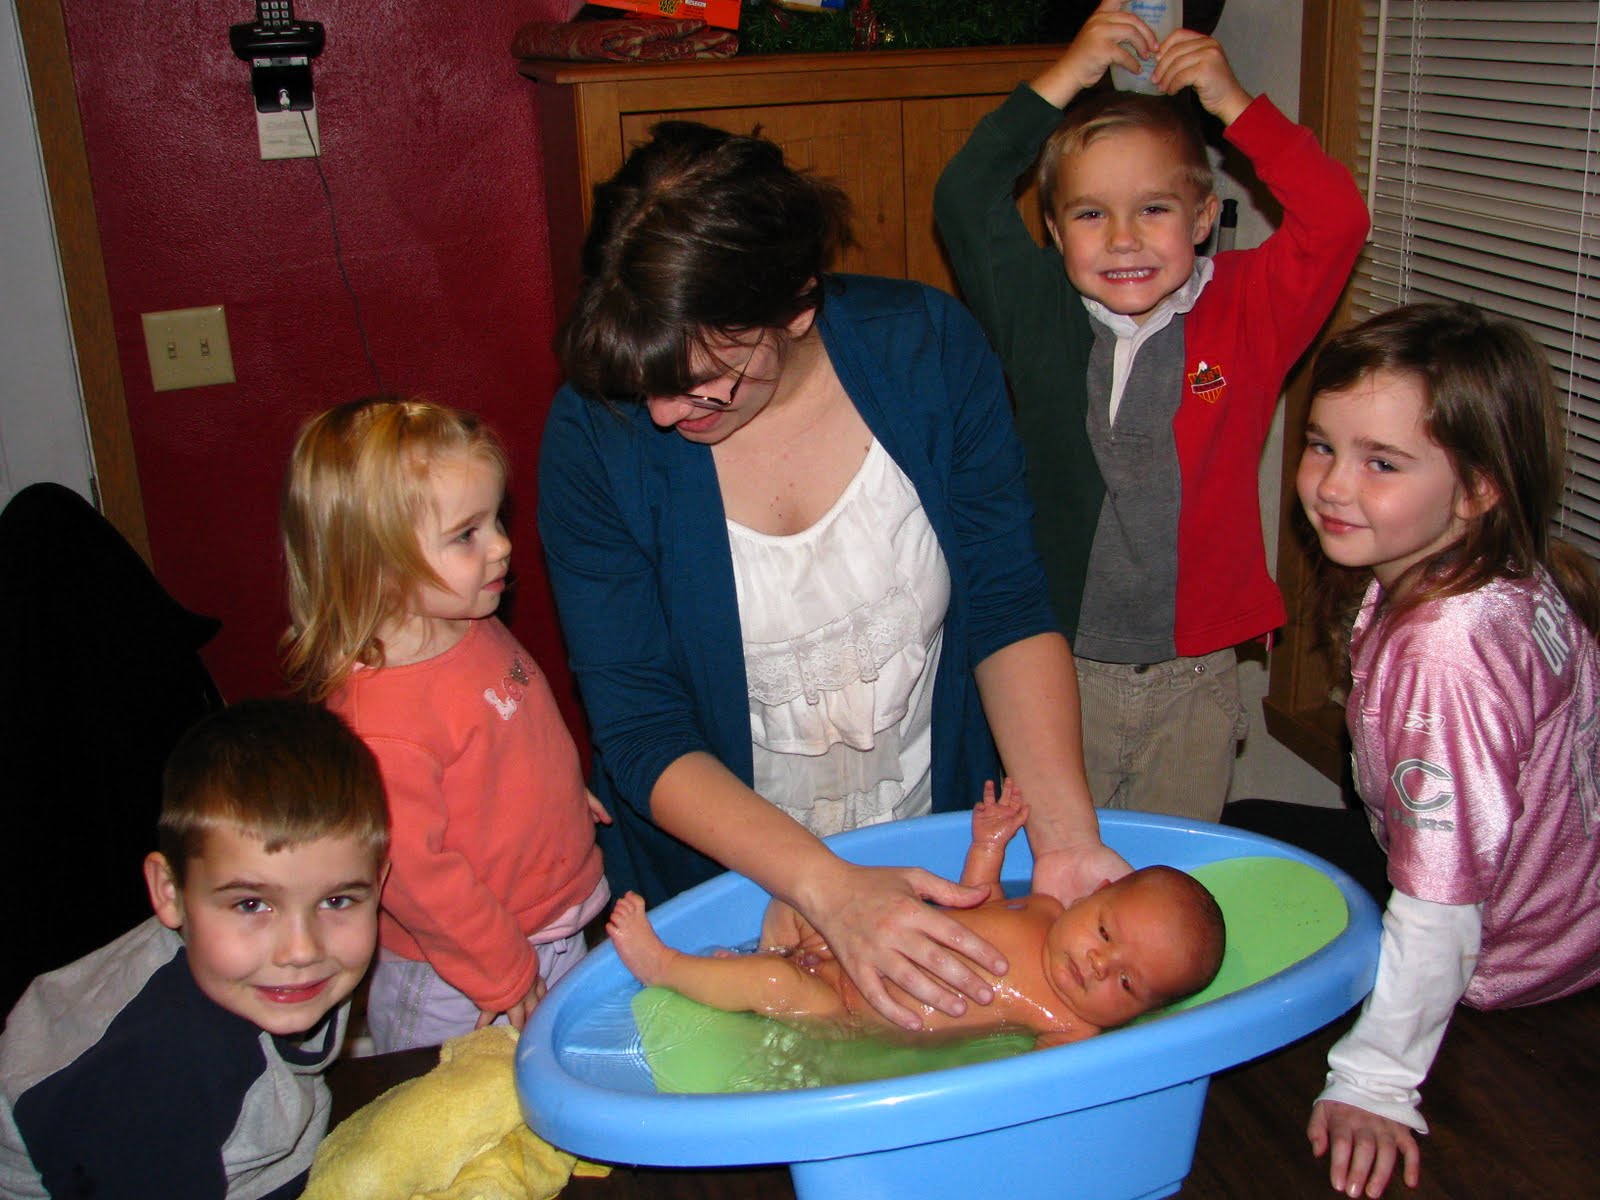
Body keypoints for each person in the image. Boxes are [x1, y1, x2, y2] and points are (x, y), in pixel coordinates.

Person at [538, 118, 1131, 1035]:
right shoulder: (594, 435)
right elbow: (642, 731)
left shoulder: (927, 352)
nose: (658, 414)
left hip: (931, 845)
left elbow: (1009, 606)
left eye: (704, 382)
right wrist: (828, 889)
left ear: (798, 306)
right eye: (644, 378)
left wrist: (1064, 836)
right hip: (713, 894)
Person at [933, 0, 1369, 820]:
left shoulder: (1248, 311)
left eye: (1155, 209)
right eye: (1091, 213)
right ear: (1056, 234)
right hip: (1056, 668)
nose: (1124, 238)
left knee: (1170, 886)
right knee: (1057, 887)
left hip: (1195, 676)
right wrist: (1067, 74)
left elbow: (1337, 220)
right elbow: (964, 193)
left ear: (1204, 219)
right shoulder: (1036, 310)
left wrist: (1234, 103)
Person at [1294, 302, 1600, 1198]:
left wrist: (1376, 1082)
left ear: (1476, 490)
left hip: (1506, 961)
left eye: (1381, 463)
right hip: (1565, 912)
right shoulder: (1500, 565)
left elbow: (1440, 909)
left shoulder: (1447, 655)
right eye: (1321, 445)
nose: (1331, 486)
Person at [281, 397, 610, 1053]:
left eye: (495, 520)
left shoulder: (469, 623)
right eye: (467, 534)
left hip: (546, 925)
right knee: (452, 1113)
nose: (501, 545)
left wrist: (556, 795)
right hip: (459, 978)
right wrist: (503, 970)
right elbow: (415, 878)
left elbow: (508, 738)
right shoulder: (382, 723)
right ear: (375, 562)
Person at [0, 699, 390, 1200]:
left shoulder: (253, 975)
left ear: (379, 885)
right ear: (170, 892)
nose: (300, 950)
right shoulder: (157, 1088)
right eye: (252, 904)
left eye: (337, 900)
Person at [608, 780, 1224, 1048]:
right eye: (1106, 933)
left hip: (855, 1009)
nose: (1097, 963)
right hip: (861, 939)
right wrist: (988, 846)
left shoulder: (1073, 1028)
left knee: (774, 984)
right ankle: (747, 968)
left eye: (1126, 981)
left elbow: (1028, 1091)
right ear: (1090, 897)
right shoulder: (1041, 906)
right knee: (790, 906)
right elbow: (970, 900)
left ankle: (665, 965)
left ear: (1146, 1011)